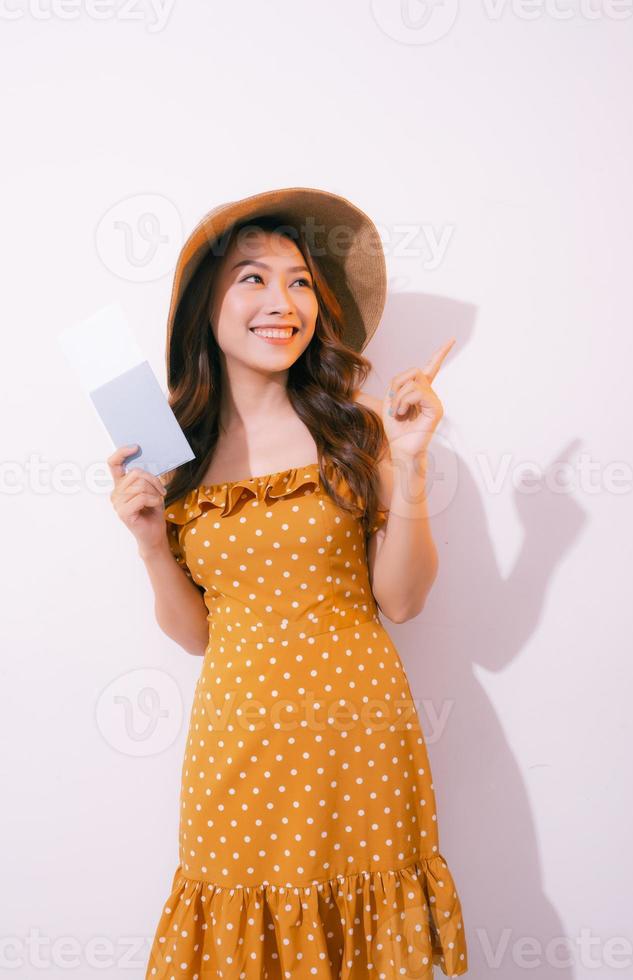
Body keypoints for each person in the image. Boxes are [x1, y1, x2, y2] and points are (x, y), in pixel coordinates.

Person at [108, 187, 469, 978]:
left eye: (300, 281)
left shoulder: (360, 428)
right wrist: (148, 544)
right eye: (254, 279)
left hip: (359, 737)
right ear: (206, 307)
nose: (284, 302)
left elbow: (403, 601)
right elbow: (199, 635)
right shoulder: (172, 455)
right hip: (237, 741)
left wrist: (407, 467)